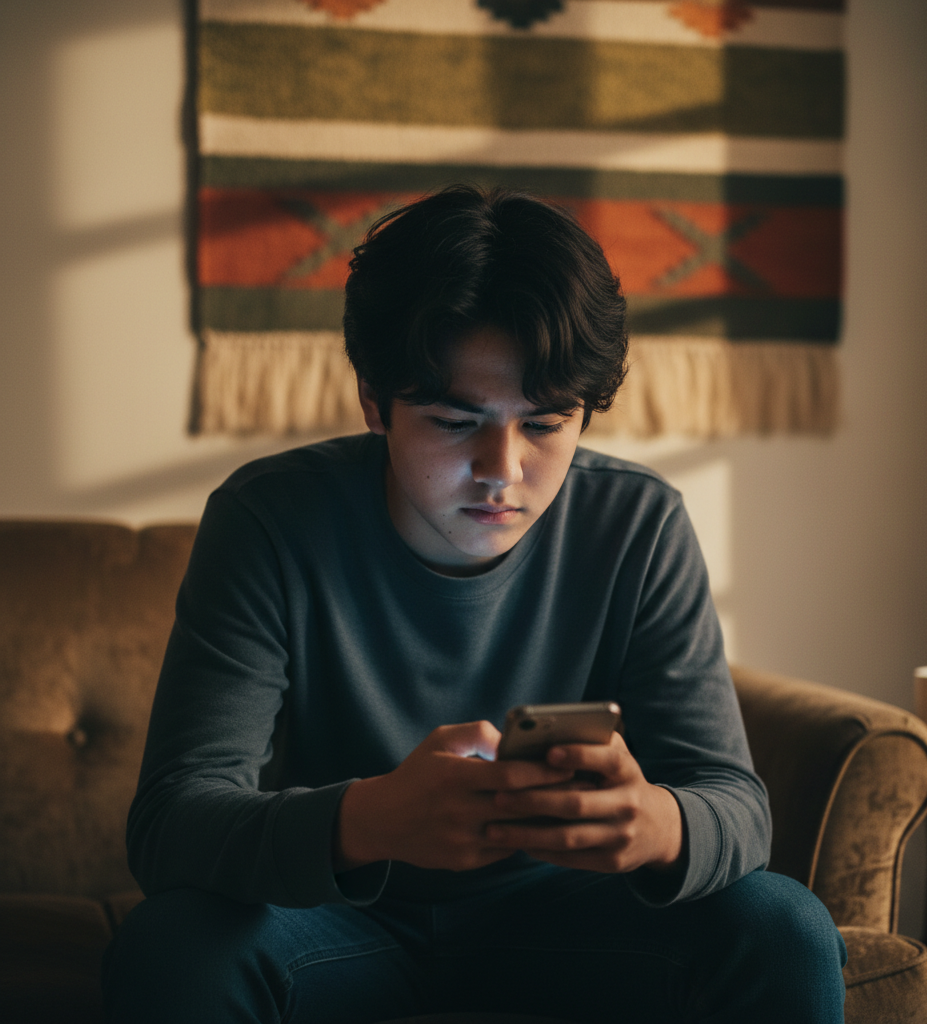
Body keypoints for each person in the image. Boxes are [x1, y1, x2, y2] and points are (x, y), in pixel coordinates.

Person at [103, 185, 847, 1023]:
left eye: (546, 424)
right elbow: (170, 822)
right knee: (174, 942)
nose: (504, 469)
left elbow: (735, 804)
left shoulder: (638, 523)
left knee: (784, 927)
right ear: (374, 404)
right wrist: (367, 821)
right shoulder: (271, 520)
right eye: (457, 422)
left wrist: (658, 825)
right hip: (338, 925)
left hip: (572, 925)